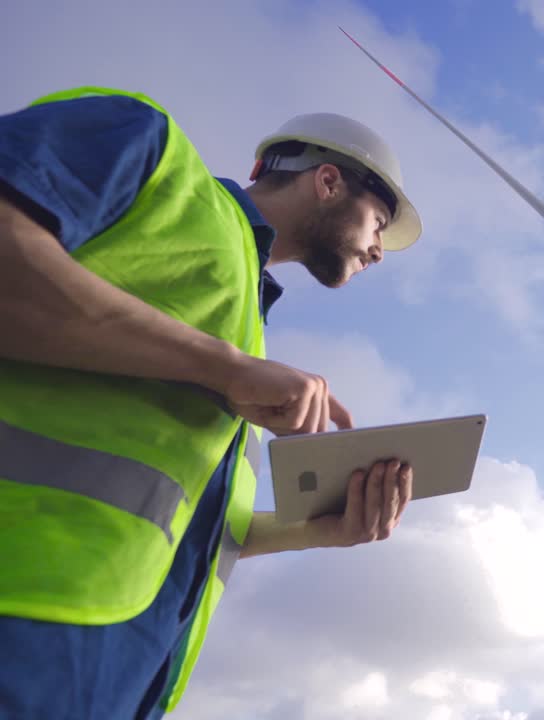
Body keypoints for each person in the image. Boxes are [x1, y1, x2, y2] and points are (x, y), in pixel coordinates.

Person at [0, 85, 425, 718]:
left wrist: (320, 531)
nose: (377, 249)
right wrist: (222, 368)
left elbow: (188, 523)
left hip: (122, 677)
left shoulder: (251, 330)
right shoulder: (148, 147)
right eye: (379, 224)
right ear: (329, 182)